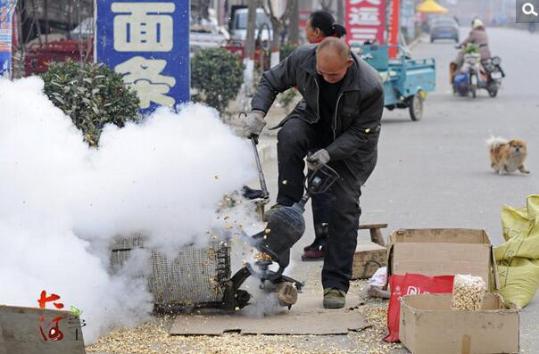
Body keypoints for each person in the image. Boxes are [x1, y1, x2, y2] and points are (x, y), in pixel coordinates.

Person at [243, 38, 384, 309]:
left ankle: (335, 285)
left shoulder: (370, 87)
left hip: (351, 148)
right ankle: (286, 207)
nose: (326, 78)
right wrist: (258, 112)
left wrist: (329, 153)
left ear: (349, 64)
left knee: (344, 207)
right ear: (315, 59)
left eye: (334, 75)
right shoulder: (303, 58)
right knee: (290, 136)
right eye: (322, 73)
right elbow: (271, 81)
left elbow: (361, 134)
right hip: (313, 120)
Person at [300, 10, 347, 261]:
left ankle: (325, 241)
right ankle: (327, 239)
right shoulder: (334, 49)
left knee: (323, 189)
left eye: (307, 28)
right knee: (327, 189)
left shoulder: (325, 55)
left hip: (329, 135)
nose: (305, 32)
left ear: (317, 32)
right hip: (331, 134)